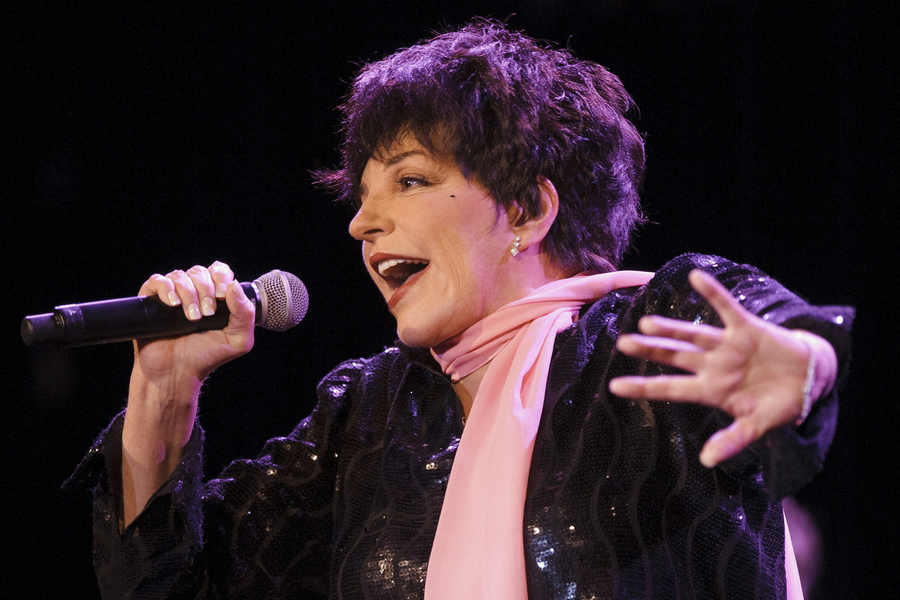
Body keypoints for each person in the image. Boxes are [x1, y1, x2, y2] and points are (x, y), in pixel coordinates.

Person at [67, 19, 853, 600]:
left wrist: (801, 367)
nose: (362, 224)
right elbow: (164, 588)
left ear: (524, 210)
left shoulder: (653, 330)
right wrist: (164, 394)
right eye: (362, 197)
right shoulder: (365, 414)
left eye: (409, 181)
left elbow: (788, 345)